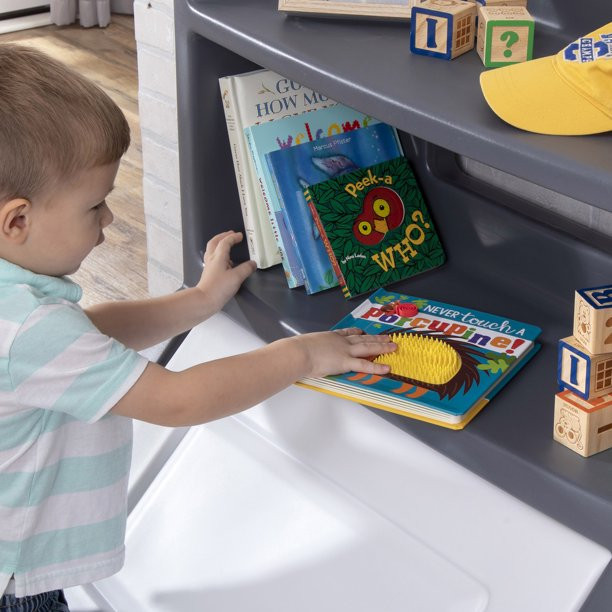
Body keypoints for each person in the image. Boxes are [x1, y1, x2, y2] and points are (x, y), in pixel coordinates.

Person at [0, 43, 395, 610]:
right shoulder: (31, 330)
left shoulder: (21, 314)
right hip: (18, 579)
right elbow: (178, 399)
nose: (110, 217)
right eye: (95, 205)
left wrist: (199, 300)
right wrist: (302, 355)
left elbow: (85, 333)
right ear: (17, 220)